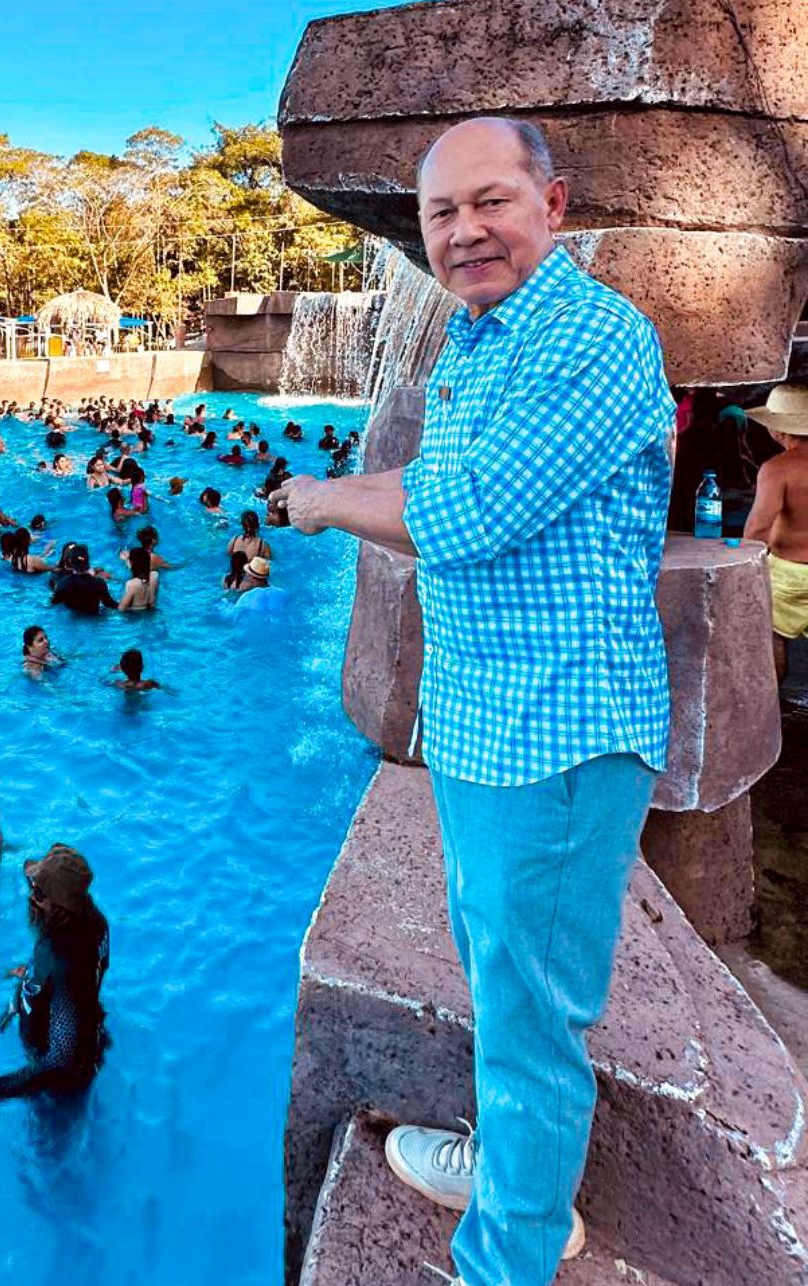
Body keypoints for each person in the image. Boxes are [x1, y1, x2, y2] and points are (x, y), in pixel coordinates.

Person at [272, 117, 673, 1286]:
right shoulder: (483, 336)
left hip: (557, 734)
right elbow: (435, 473)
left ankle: (514, 1246)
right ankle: (509, 1159)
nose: (465, 230)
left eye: (489, 201)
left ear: (551, 199)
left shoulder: (593, 337)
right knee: (495, 964)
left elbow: (470, 508)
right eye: (443, 214)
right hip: (488, 718)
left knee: (534, 1010)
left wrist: (325, 500)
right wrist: (347, 485)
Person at [0, 844, 109, 1113]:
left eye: (37, 892)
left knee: (45, 1149)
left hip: (57, 1081)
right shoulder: (93, 922)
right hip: (87, 1029)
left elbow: (60, 1060)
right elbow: (83, 974)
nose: (29, 897)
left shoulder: (62, 962)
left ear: (61, 906)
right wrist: (34, 977)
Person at [742, 383, 808, 683]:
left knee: (771, 635)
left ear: (778, 430)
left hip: (788, 572)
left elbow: (758, 529)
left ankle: (772, 711)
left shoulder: (776, 469)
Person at [51, 548, 118, 616]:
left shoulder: (63, 583)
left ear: (70, 561)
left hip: (74, 619)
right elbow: (109, 604)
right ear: (88, 561)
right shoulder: (99, 583)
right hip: (94, 619)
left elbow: (53, 602)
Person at [117, 547, 158, 611]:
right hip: (150, 612)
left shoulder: (131, 584)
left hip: (135, 616)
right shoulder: (155, 576)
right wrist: (127, 559)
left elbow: (121, 608)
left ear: (131, 563)